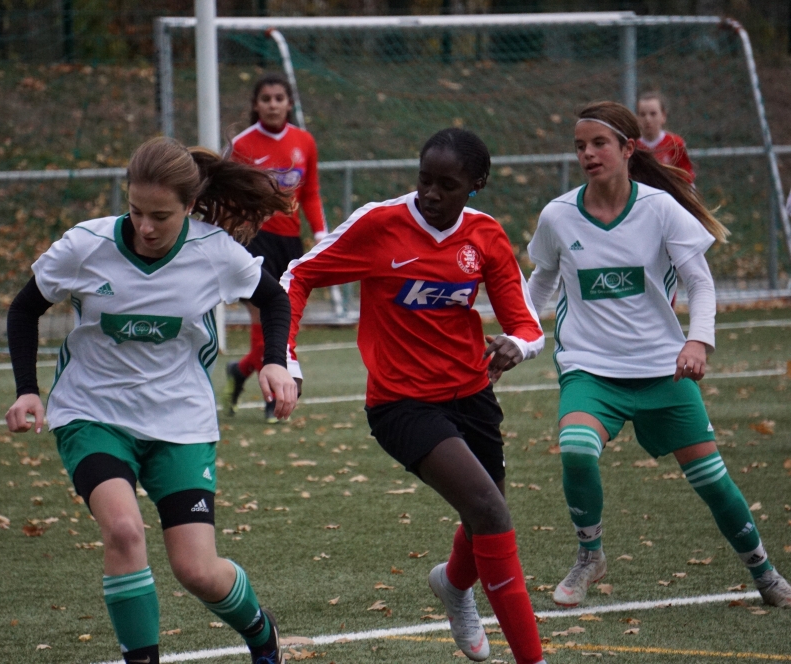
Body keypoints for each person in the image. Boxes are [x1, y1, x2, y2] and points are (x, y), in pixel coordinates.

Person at [4, 136, 299, 664]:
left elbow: (274, 299)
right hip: (92, 414)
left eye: (161, 215)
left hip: (180, 419)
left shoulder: (214, 253)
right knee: (122, 530)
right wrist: (28, 390)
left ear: (189, 207)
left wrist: (275, 360)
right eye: (136, 210)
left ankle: (260, 630)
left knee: (197, 571)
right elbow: (24, 310)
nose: (145, 226)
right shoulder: (84, 245)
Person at [282, 128, 548, 664]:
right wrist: (284, 357)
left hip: (472, 396)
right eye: (424, 179)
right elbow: (296, 275)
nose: (429, 193)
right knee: (491, 512)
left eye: (446, 185)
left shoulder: (486, 237)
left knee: (484, 516)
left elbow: (528, 324)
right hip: (401, 404)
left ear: (477, 185)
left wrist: (517, 346)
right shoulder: (380, 224)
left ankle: (453, 586)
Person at [526, 100, 791, 609]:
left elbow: (701, 283)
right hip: (590, 369)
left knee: (714, 483)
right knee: (577, 448)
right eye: (580, 145)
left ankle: (763, 569)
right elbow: (541, 282)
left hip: (661, 370)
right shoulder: (558, 215)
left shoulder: (661, 209)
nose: (588, 153)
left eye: (599, 143)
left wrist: (698, 340)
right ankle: (590, 556)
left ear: (628, 149)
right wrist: (518, 337)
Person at [223, 73, 328, 424]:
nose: (272, 104)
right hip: (254, 240)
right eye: (265, 98)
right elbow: (228, 196)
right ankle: (273, 395)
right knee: (263, 319)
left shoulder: (304, 142)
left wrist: (322, 233)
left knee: (284, 323)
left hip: (290, 243)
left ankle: (240, 371)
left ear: (288, 103)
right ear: (256, 104)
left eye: (278, 98)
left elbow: (310, 192)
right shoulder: (241, 144)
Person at [636, 91, 695, 183]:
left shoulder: (674, 143)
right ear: (637, 118)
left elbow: (686, 177)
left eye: (653, 114)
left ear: (663, 116)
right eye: (643, 114)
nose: (647, 119)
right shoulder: (633, 146)